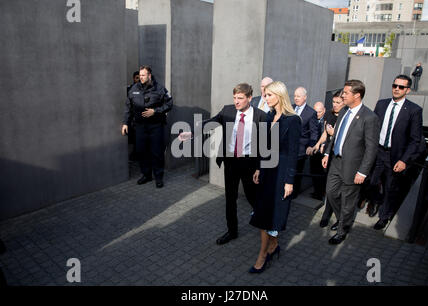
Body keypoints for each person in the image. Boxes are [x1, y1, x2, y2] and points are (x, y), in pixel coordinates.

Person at [179, 83, 268, 245]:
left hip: (249, 163)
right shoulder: (228, 110)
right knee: (230, 198)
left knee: (253, 197)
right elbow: (211, 122)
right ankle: (232, 231)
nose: (236, 101)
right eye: (234, 98)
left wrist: (259, 167)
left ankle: (268, 226)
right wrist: (192, 133)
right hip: (231, 162)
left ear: (249, 98)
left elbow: (264, 145)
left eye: (240, 98)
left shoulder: (260, 116)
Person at [249, 81, 301, 273]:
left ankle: (262, 256)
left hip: (280, 175)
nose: (266, 98)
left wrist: (289, 180)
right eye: (265, 94)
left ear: (279, 95)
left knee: (269, 216)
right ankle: (273, 245)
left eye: (269, 95)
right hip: (266, 172)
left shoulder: (293, 120)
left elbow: (293, 153)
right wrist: (258, 169)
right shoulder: (269, 116)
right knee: (264, 212)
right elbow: (263, 148)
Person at [322, 80, 379, 245]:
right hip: (336, 162)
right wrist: (327, 153)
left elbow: (371, 148)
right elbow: (336, 135)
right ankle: (342, 220)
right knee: (331, 193)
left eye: (346, 93)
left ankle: (342, 230)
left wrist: (363, 171)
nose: (342, 95)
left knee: (348, 201)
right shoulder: (344, 111)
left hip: (353, 167)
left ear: (357, 95)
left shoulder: (370, 117)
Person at [370, 75, 423, 229]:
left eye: (401, 87)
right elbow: (372, 128)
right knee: (371, 182)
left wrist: (404, 160)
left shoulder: (414, 110)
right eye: (395, 86)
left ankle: (384, 216)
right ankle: (376, 201)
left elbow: (415, 140)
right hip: (377, 151)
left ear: (408, 90)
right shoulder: (381, 104)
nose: (397, 89)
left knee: (390, 188)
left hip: (395, 156)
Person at [122, 65, 173, 188]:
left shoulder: (160, 89)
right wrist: (125, 123)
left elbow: (169, 103)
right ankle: (146, 175)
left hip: (155, 126)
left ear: (149, 75)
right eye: (140, 75)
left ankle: (159, 177)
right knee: (142, 151)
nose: (141, 78)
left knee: (156, 152)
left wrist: (155, 111)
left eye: (143, 75)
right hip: (140, 127)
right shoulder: (134, 88)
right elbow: (128, 107)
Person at [314, 91, 345, 228]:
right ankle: (328, 211)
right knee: (329, 186)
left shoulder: (346, 116)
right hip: (327, 154)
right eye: (333, 102)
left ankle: (333, 214)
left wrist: (335, 133)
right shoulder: (329, 115)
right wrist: (316, 145)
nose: (335, 105)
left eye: (338, 102)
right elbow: (325, 134)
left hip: (340, 156)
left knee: (337, 189)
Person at [291, 87, 319, 198]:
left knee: (297, 173)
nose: (296, 98)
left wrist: (311, 145)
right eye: (294, 96)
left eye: (298, 96)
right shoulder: (290, 108)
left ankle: (294, 194)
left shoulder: (311, 113)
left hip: (301, 149)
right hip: (288, 146)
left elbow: (314, 132)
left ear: (305, 97)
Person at [308, 101, 326, 200]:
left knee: (321, 173)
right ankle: (317, 191)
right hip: (313, 151)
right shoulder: (312, 119)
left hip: (323, 152)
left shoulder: (326, 120)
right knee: (313, 171)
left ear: (324, 110)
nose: (317, 114)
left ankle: (321, 193)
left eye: (319, 112)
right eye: (315, 112)